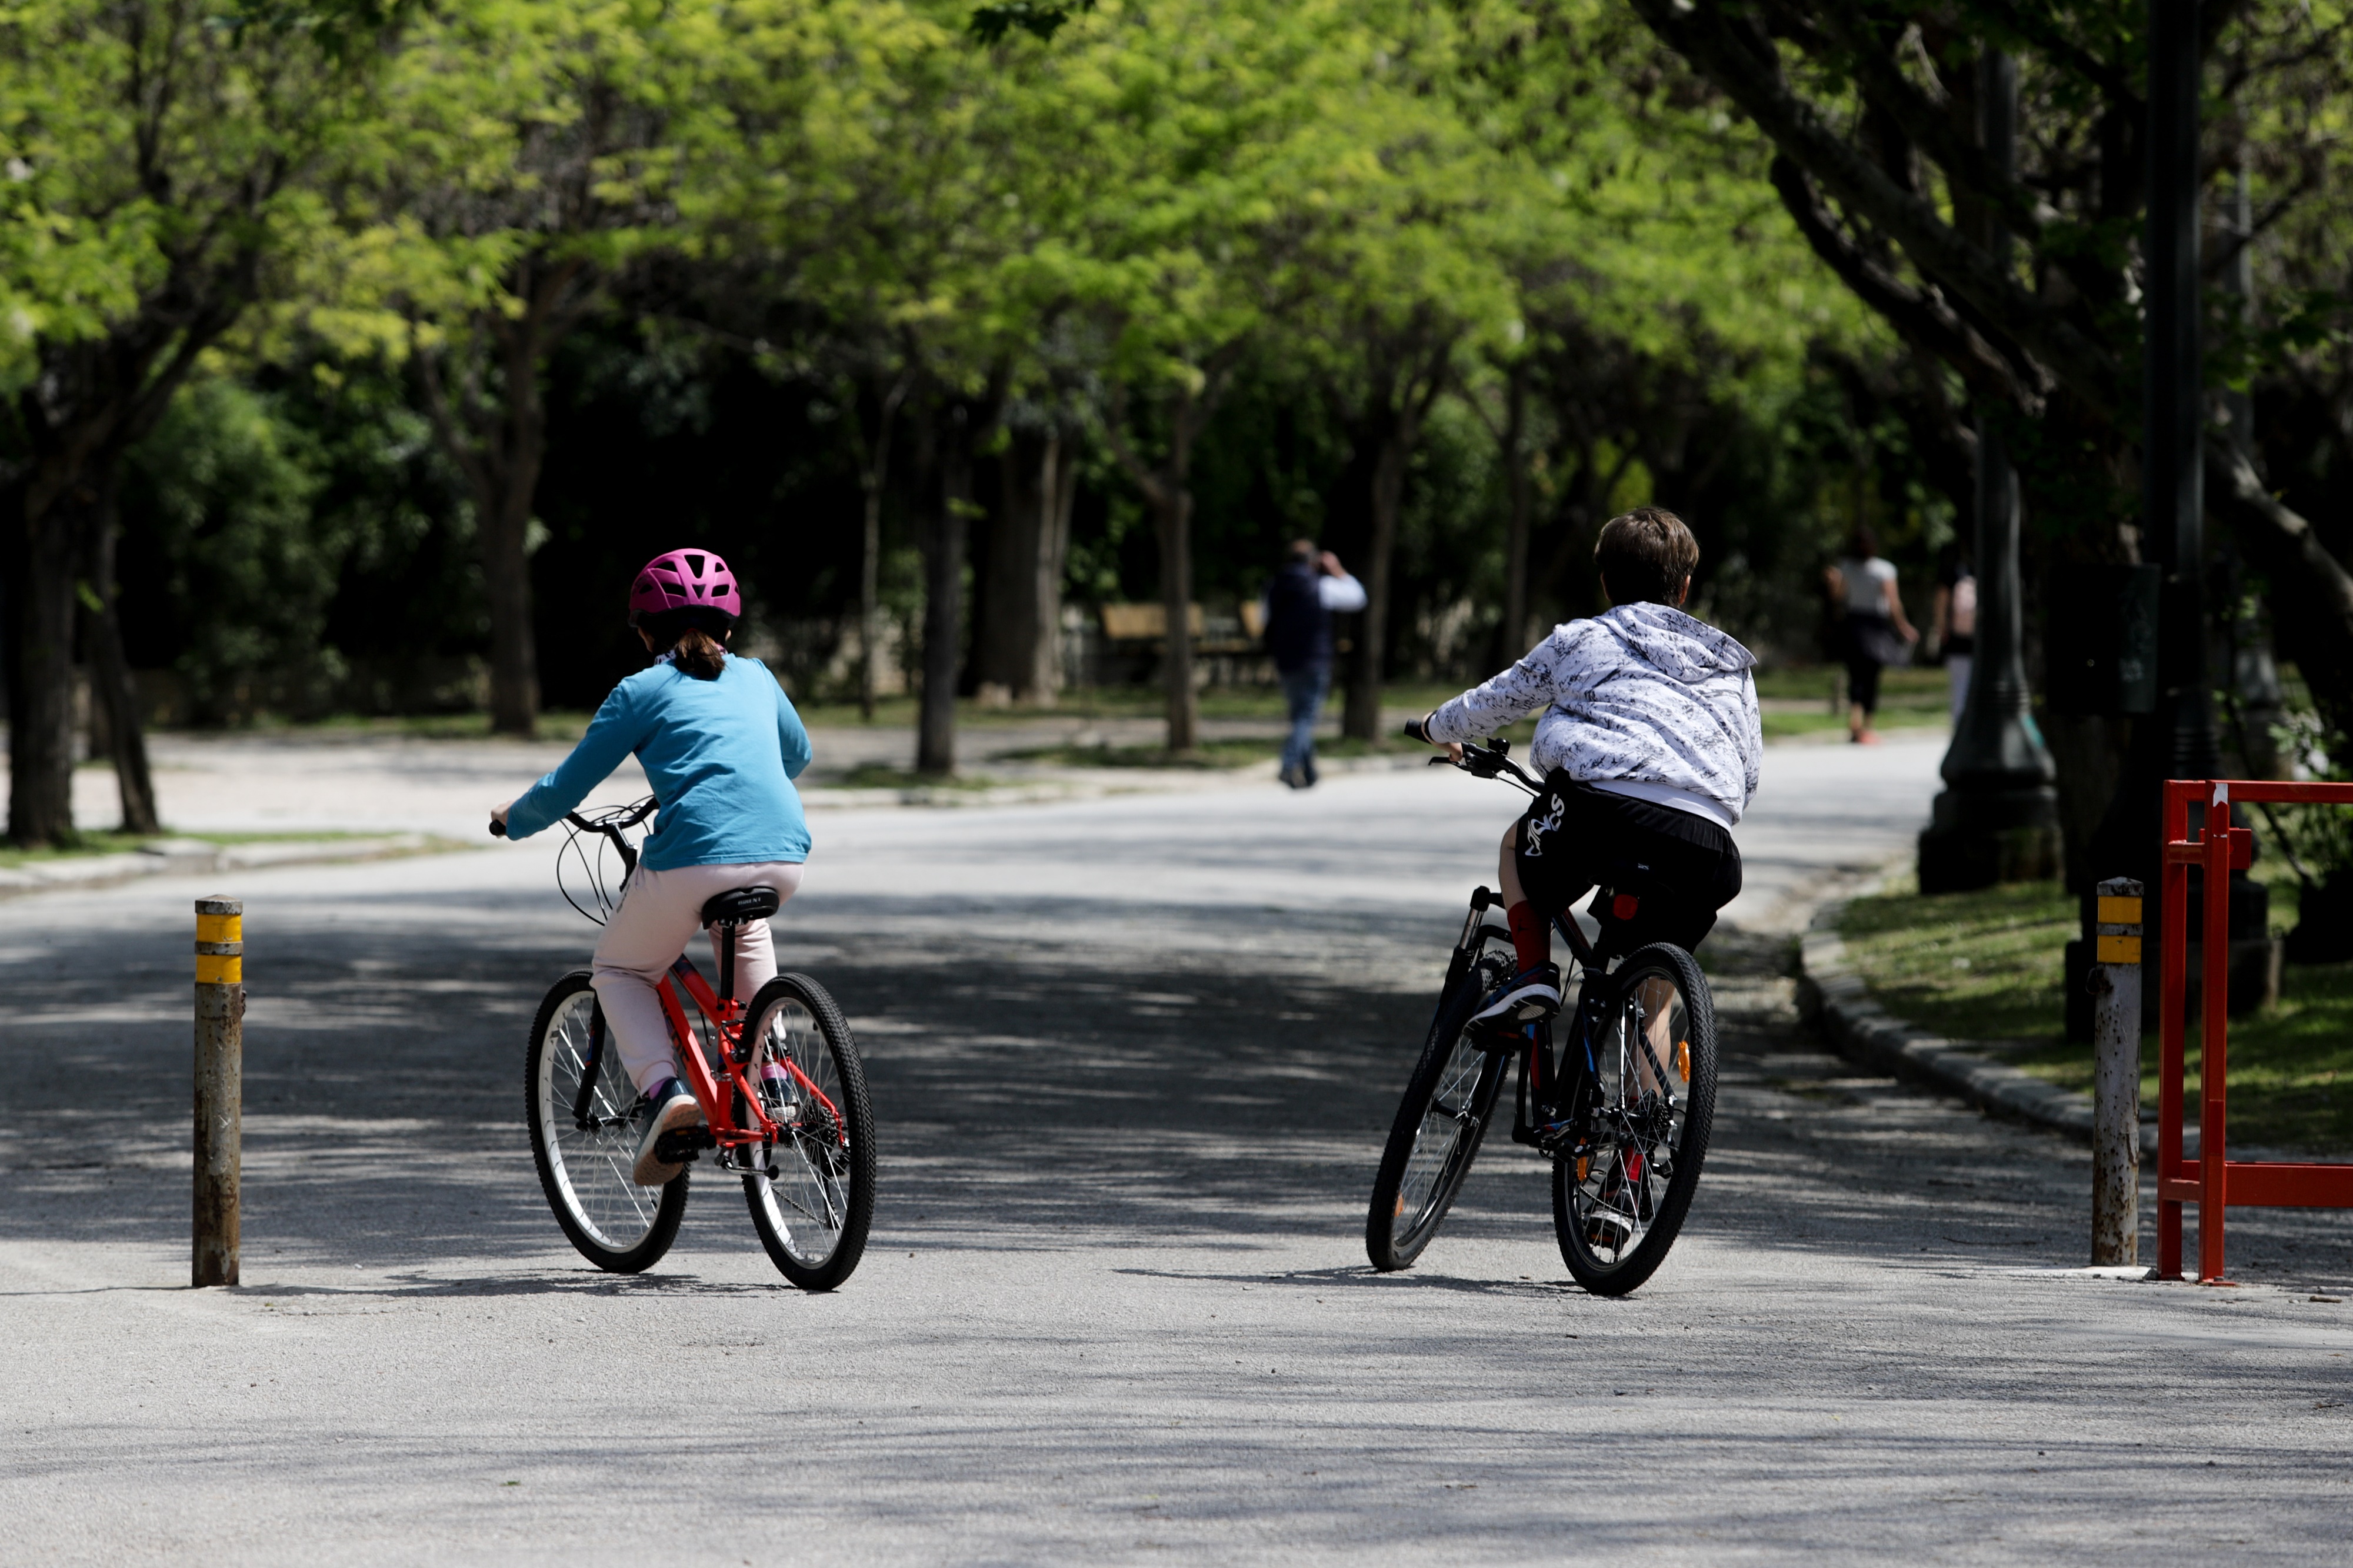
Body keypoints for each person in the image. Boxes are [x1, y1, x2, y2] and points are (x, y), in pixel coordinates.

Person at [493, 548, 813, 1186]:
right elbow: (795, 756)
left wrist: (513, 817)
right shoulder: (756, 676)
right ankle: (772, 1067)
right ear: (728, 628)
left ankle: (666, 1092)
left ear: (644, 631)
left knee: (619, 967)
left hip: (694, 858)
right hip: (784, 855)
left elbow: (566, 788)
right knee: (742, 927)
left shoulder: (640, 690)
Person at [1412, 507, 1762, 1026]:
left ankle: (1534, 975)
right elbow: (1749, 773)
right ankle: (1652, 1107)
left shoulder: (1580, 639)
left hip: (1601, 815)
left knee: (1515, 845)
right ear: (1685, 588)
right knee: (1655, 1000)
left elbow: (1498, 701)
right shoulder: (1731, 667)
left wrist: (1434, 728)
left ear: (1605, 582)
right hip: (1706, 846)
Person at [1259, 539, 1367, 789]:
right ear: (1314, 561)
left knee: (1300, 715)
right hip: (1314, 660)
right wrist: (1337, 570)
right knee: (1305, 717)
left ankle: (1309, 772)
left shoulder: (1273, 585)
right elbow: (1358, 598)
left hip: (1285, 660)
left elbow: (1263, 617)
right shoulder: (1322, 586)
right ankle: (1289, 765)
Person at [1824, 525, 1917, 745]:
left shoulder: (1846, 568)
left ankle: (1858, 724)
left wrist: (1834, 584)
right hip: (1873, 625)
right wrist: (1903, 626)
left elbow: (1838, 598)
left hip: (1856, 624)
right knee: (1869, 676)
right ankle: (1865, 726)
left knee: (1857, 675)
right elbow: (1893, 602)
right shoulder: (1884, 570)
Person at [1931, 546, 1977, 725]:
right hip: (1979, 640)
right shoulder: (1985, 568)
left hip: (1957, 640)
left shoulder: (1952, 571)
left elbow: (1941, 602)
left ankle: (1960, 729)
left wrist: (1941, 629)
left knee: (1960, 687)